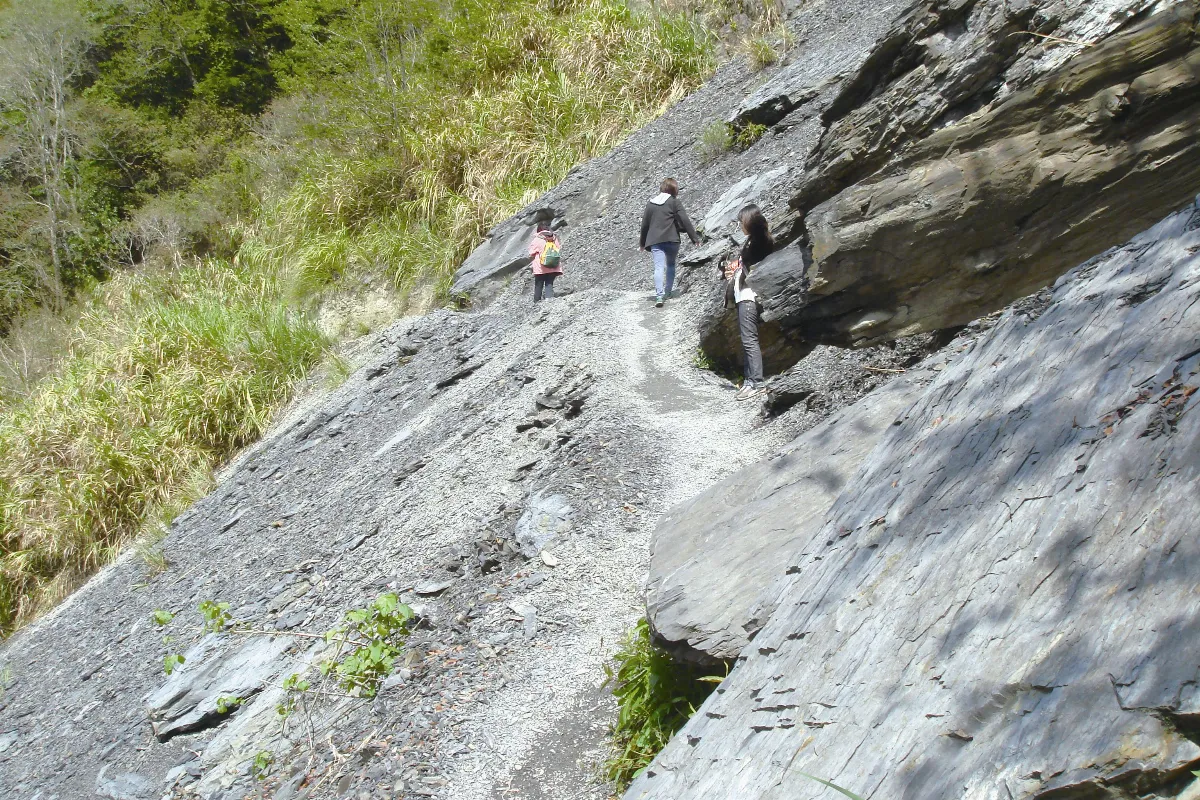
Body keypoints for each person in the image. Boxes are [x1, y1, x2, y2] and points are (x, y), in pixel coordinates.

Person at [722, 204, 774, 401]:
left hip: (749, 296)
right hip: (745, 295)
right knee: (747, 339)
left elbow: (754, 267)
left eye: (740, 221)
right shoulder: (757, 241)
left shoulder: (758, 243)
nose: (739, 225)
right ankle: (750, 381)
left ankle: (757, 383)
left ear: (748, 222)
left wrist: (737, 267)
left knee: (749, 340)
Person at [639, 177, 700, 308]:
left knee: (658, 267)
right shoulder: (674, 202)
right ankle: (668, 292)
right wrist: (694, 238)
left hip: (655, 240)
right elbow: (684, 219)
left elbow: (644, 225)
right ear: (674, 189)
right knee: (671, 265)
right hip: (672, 240)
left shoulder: (650, 204)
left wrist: (642, 243)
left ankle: (659, 296)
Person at [528, 221, 563, 303]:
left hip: (541, 266)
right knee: (549, 283)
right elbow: (558, 249)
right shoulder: (553, 238)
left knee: (538, 285)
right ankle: (549, 301)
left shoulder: (537, 239)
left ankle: (536, 303)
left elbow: (531, 252)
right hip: (553, 264)